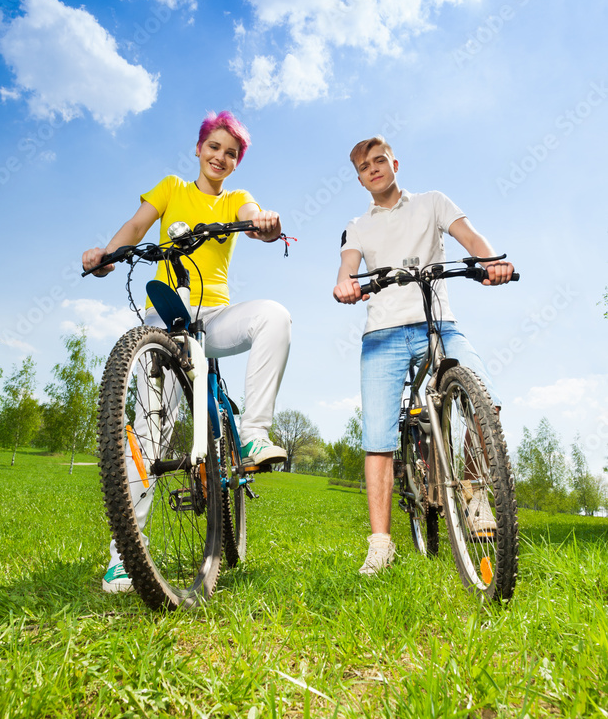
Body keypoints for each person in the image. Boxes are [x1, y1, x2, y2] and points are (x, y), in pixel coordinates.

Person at [83, 110, 290, 592]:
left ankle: (253, 436)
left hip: (214, 318)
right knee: (149, 437)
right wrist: (107, 255)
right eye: (214, 147)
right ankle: (122, 558)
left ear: (237, 163)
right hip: (166, 319)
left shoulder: (237, 199)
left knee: (275, 316)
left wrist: (265, 224)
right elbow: (136, 227)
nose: (221, 157)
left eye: (231, 153)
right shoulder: (172, 187)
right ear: (199, 149)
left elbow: (253, 219)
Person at [333, 135, 514, 575]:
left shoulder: (432, 202)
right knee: (378, 438)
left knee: (483, 397)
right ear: (359, 178)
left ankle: (472, 494)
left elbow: (470, 236)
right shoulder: (358, 225)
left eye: (379, 161)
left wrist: (491, 261)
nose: (373, 169)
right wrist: (346, 283)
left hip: (438, 324)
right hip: (382, 334)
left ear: (394, 163)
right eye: (364, 167)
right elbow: (347, 265)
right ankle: (381, 544)